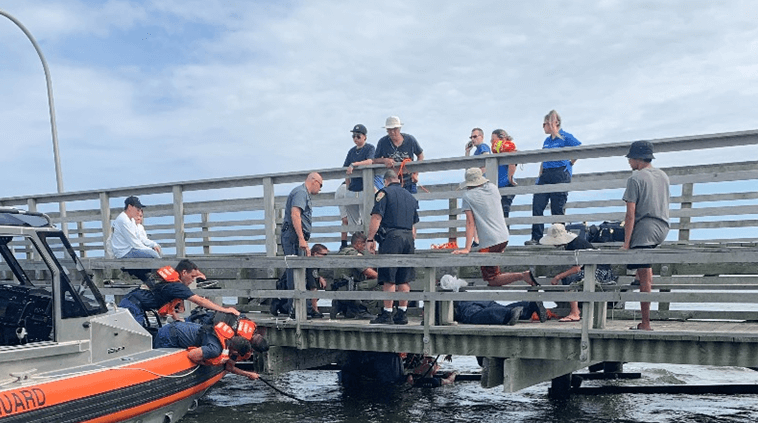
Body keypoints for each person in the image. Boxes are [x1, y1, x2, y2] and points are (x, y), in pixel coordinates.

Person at [452, 168, 539, 287]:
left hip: (489, 241)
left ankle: (523, 275)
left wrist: (467, 248)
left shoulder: (467, 196)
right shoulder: (493, 188)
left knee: (493, 280)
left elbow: (470, 223)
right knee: (494, 270)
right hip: (503, 236)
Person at [621, 141, 670, 331]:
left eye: (630, 159)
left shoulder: (635, 178)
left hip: (646, 230)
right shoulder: (663, 175)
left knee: (644, 277)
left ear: (637, 159)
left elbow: (630, 214)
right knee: (645, 270)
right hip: (663, 226)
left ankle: (646, 323)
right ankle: (640, 275)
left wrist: (626, 245)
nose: (629, 162)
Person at [118, 259, 240, 327]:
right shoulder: (176, 286)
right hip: (132, 306)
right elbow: (200, 301)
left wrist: (177, 319)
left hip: (131, 300)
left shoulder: (170, 281)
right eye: (192, 276)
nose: (193, 280)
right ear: (184, 273)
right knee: (135, 334)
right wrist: (225, 310)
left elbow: (168, 302)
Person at [367, 170, 419, 325]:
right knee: (404, 277)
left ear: (385, 181)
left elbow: (376, 217)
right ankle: (402, 314)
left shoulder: (384, 193)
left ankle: (387, 313)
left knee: (389, 277)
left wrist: (370, 239)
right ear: (398, 180)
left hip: (392, 237)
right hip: (409, 237)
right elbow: (414, 225)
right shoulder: (410, 196)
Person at [154, 313, 269, 381]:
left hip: (183, 326)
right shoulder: (216, 349)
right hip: (169, 336)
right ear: (234, 351)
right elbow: (192, 355)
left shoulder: (229, 335)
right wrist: (207, 362)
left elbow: (229, 366)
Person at [526, 110, 582, 245]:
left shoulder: (565, 136)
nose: (543, 127)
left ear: (552, 123)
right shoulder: (546, 140)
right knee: (538, 205)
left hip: (560, 173)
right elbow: (543, 158)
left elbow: (579, 148)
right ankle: (536, 238)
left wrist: (570, 163)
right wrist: (540, 174)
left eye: (545, 124)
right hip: (546, 173)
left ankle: (559, 238)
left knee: (557, 207)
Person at [281, 172, 323, 314]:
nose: (320, 189)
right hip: (293, 236)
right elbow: (295, 214)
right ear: (314, 181)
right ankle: (295, 309)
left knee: (299, 271)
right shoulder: (300, 192)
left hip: (296, 236)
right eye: (321, 185)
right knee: (294, 272)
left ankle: (300, 308)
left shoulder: (303, 193)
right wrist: (301, 238)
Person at [540, 223, 595, 322]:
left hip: (599, 272)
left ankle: (575, 312)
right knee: (568, 277)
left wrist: (558, 277)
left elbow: (577, 268)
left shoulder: (575, 245)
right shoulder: (573, 243)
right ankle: (575, 310)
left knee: (571, 278)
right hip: (591, 270)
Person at [338, 124, 376, 249]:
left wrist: (355, 164)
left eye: (358, 136)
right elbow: (345, 168)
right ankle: (357, 246)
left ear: (364, 137)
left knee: (367, 221)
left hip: (365, 189)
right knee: (353, 223)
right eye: (353, 136)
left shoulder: (370, 148)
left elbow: (370, 161)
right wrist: (347, 184)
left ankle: (369, 248)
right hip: (353, 189)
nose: (355, 138)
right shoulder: (351, 151)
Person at [330, 231, 381, 319]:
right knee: (379, 282)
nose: (364, 248)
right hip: (349, 288)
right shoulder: (354, 254)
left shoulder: (343, 251)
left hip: (339, 287)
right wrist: (383, 277)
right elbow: (367, 272)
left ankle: (342, 306)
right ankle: (363, 310)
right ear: (358, 244)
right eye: (363, 245)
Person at [373, 116, 424, 193]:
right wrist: (385, 160)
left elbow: (420, 155)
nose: (392, 132)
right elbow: (374, 160)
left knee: (412, 203)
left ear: (399, 129)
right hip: (391, 182)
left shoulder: (410, 140)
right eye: (389, 130)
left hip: (409, 180)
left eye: (394, 129)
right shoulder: (383, 142)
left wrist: (415, 173)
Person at [491, 129, 518, 218]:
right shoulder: (498, 152)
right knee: (497, 215)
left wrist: (510, 178)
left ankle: (505, 232)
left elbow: (512, 163)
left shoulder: (509, 149)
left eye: (493, 140)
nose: (492, 142)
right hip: (497, 186)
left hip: (505, 185)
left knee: (503, 213)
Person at [454, 300, 547, 325]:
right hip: (473, 298)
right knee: (497, 308)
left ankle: (510, 313)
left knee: (475, 316)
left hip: (462, 306)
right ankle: (528, 306)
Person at [305, 243, 328, 319]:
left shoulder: (311, 263)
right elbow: (313, 288)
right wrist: (316, 310)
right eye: (324, 254)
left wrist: (319, 277)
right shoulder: (311, 265)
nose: (325, 257)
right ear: (315, 254)